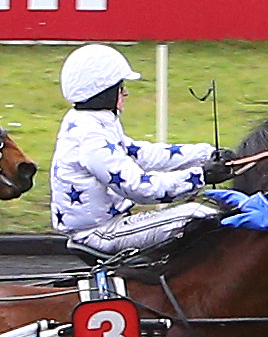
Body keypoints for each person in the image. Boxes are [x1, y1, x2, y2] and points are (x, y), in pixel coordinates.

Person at [46, 46, 216, 242]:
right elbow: (140, 188)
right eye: (120, 87)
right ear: (104, 92)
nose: (125, 93)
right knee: (198, 214)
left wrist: (206, 154)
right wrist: (202, 175)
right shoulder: (91, 138)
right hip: (100, 232)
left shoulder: (90, 120)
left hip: (109, 223)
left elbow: (142, 155)